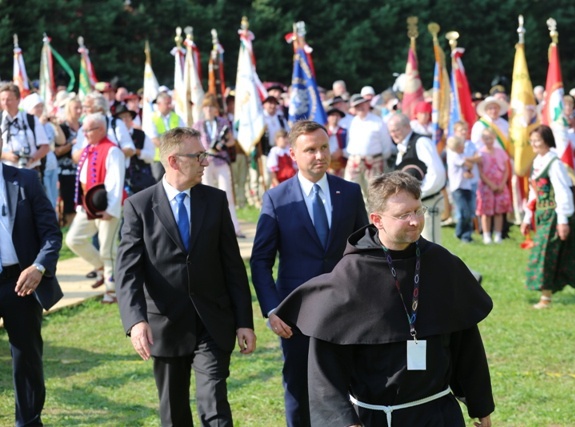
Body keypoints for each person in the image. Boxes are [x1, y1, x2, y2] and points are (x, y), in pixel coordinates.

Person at [274, 171, 494, 427]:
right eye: (403, 215)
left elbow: (466, 343)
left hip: (439, 415)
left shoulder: (442, 263)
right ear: (377, 219)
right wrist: (344, 422)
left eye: (417, 210)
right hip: (376, 418)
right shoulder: (352, 275)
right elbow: (326, 363)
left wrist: (480, 406)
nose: (414, 221)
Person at [116, 127, 256, 426]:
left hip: (213, 322)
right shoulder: (138, 206)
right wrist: (135, 321)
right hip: (164, 325)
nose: (205, 162)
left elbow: (233, 267)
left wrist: (244, 321)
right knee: (174, 410)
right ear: (174, 161)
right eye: (199, 156)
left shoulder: (215, 201)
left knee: (214, 401)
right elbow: (127, 271)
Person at [250, 120, 368, 427]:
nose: (320, 155)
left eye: (324, 147)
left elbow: (365, 251)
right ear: (293, 153)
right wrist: (273, 309)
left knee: (351, 385)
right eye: (310, 149)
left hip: (346, 308)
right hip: (296, 315)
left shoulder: (350, 192)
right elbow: (261, 261)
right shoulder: (277, 199)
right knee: (299, 387)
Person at [0, 129, 63, 426]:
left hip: (21, 283)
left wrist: (39, 267)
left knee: (26, 357)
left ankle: (28, 421)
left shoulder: (25, 180)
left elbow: (51, 233)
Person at [521, 125, 575, 309]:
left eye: (537, 140)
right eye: (532, 141)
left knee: (544, 255)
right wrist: (527, 217)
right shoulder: (538, 162)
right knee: (565, 255)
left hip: (554, 214)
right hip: (542, 215)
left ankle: (545, 298)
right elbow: (533, 192)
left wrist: (562, 220)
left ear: (547, 141)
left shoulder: (554, 163)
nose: (534, 144)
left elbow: (563, 191)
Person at [65, 113, 125, 303]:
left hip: (106, 207)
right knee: (74, 239)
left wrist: (111, 209)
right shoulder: (88, 149)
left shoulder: (113, 150)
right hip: (88, 206)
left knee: (108, 249)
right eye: (83, 130)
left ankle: (112, 290)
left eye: (88, 130)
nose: (84, 134)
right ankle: (101, 269)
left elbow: (116, 182)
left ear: (100, 129)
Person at [386, 113, 446, 244]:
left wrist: (417, 195)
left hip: (429, 203)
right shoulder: (401, 147)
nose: (393, 134)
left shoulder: (421, 142)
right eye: (391, 131)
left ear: (407, 127)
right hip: (416, 206)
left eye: (396, 130)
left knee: (431, 245)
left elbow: (437, 173)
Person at [192, 94, 244, 237]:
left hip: (221, 160)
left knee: (226, 193)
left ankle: (234, 228)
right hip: (205, 162)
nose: (209, 109)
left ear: (216, 109)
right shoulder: (198, 125)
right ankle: (210, 228)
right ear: (203, 109)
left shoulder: (223, 122)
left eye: (212, 106)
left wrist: (222, 145)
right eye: (207, 107)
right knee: (207, 194)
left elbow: (232, 141)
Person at [344, 94, 393, 201]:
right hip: (354, 161)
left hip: (374, 161)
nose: (360, 108)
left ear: (367, 104)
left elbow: (386, 144)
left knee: (374, 193)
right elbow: (349, 141)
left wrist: (380, 159)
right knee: (349, 190)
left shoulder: (377, 121)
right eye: (357, 106)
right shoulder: (352, 122)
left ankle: (372, 216)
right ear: (353, 108)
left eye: (362, 105)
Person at [0, 84, 50, 172]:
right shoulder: (1, 120)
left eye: (9, 99)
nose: (5, 103)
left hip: (30, 170)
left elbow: (45, 147)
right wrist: (5, 155)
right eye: (2, 99)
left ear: (18, 100)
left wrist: (31, 158)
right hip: (5, 171)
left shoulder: (31, 119)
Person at [476, 128, 512, 244]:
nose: (488, 141)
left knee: (499, 211)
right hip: (486, 186)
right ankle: (486, 235)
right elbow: (480, 172)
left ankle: (498, 234)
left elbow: (506, 169)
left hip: (500, 185)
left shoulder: (501, 152)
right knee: (486, 212)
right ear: (482, 139)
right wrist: (490, 184)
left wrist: (502, 184)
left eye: (490, 138)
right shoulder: (480, 153)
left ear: (494, 138)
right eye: (486, 138)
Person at [145, 92, 185, 181]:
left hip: (175, 158)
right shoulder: (151, 118)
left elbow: (183, 136)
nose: (170, 106)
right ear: (159, 104)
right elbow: (154, 140)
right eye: (167, 103)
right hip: (158, 159)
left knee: (176, 181)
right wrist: (171, 150)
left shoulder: (177, 117)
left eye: (170, 103)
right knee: (159, 183)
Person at [56, 97, 82, 226]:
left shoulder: (84, 127)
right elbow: (57, 151)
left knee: (80, 204)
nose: (79, 111)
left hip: (81, 171)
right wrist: (72, 144)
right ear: (68, 110)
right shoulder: (62, 128)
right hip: (65, 171)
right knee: (68, 204)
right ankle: (68, 230)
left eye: (80, 108)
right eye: (75, 108)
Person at [447, 135, 477, 242]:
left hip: (466, 186)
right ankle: (460, 233)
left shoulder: (461, 156)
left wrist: (468, 172)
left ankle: (467, 235)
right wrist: (469, 165)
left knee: (469, 212)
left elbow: (468, 168)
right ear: (459, 146)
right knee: (464, 212)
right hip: (458, 188)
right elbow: (469, 165)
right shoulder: (455, 156)